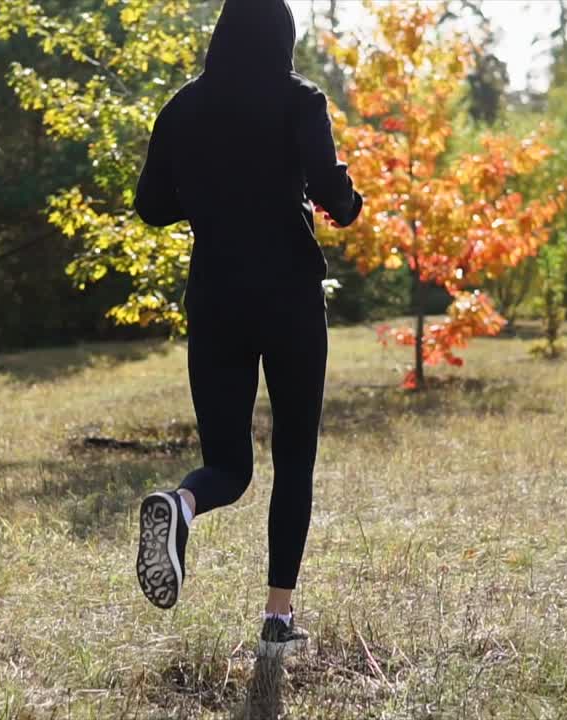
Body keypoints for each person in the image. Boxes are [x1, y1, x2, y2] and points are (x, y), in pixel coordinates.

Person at [131, 0, 362, 658]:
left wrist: (210, 193)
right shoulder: (300, 100)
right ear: (283, 38)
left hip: (215, 297)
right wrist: (347, 201)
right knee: (294, 460)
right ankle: (276, 619)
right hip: (288, 294)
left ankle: (180, 504)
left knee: (227, 466)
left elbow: (151, 206)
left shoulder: (182, 107)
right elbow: (330, 192)